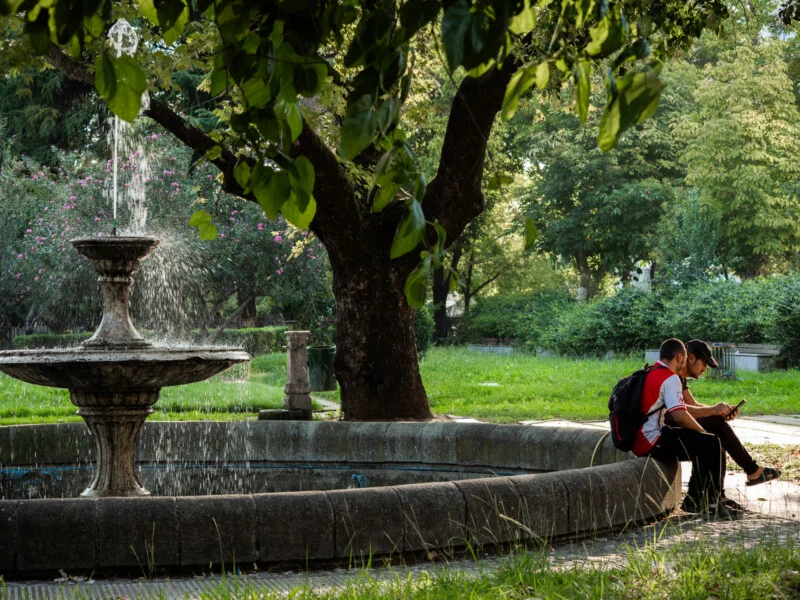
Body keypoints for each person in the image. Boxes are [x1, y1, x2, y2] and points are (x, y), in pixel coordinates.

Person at [632, 338, 740, 518]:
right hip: (651, 440)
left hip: (644, 437)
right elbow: (680, 416)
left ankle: (695, 500)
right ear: (680, 357)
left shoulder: (650, 371)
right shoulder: (670, 377)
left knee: (706, 443)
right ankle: (710, 504)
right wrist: (703, 433)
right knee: (710, 443)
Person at [675, 339, 781, 487]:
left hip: (675, 425)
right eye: (704, 364)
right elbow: (678, 410)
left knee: (716, 427)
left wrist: (719, 412)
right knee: (715, 428)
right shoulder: (671, 376)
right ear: (691, 358)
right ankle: (751, 470)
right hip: (666, 433)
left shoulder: (680, 378)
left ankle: (719, 492)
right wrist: (713, 411)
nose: (705, 369)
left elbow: (692, 405)